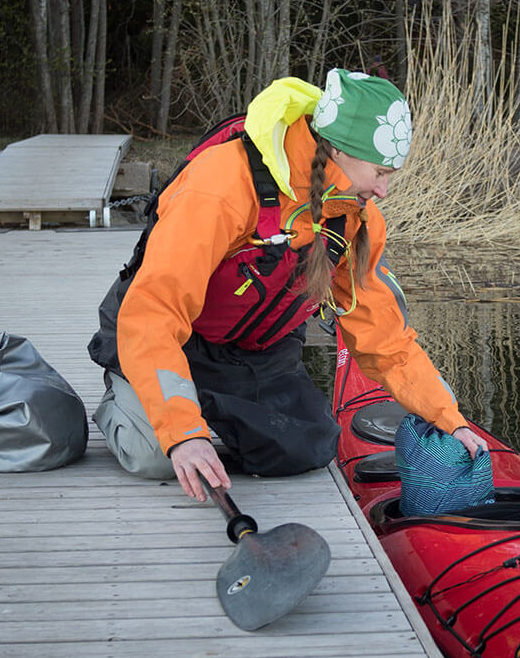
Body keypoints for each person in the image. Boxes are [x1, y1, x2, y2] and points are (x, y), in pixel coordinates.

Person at [87, 69, 488, 501]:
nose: (384, 190)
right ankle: (128, 387)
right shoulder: (222, 184)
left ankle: (206, 404)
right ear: (337, 150)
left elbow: (384, 337)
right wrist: (183, 432)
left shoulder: (355, 216)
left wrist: (449, 417)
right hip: (165, 334)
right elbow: (154, 312)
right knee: (155, 456)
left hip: (252, 353)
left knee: (307, 448)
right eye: (379, 172)